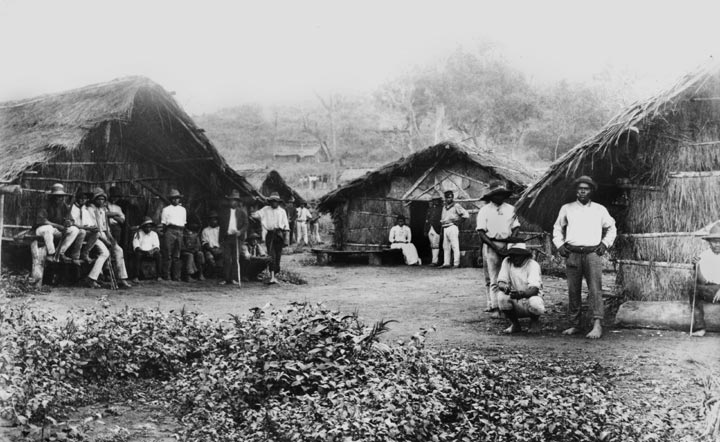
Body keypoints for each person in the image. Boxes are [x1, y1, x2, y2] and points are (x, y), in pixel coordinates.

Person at [553, 176, 616, 339]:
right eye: (579, 188)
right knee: (573, 289)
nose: (582, 191)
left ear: (591, 191)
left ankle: (597, 324)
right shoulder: (567, 208)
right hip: (572, 253)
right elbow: (557, 228)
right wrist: (559, 245)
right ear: (576, 190)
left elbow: (611, 228)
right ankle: (575, 324)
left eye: (586, 188)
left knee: (595, 289)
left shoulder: (599, 209)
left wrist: (604, 244)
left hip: (592, 253)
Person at [476, 181, 520, 318]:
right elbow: (482, 233)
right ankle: (495, 307)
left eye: (501, 194)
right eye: (496, 195)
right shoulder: (485, 210)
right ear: (491, 196)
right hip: (491, 245)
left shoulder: (511, 209)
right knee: (493, 278)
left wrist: (510, 244)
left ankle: (509, 306)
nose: (499, 197)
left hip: (507, 245)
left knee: (509, 276)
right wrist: (495, 247)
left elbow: (516, 227)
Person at [86, 188, 131, 289]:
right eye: (98, 199)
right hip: (94, 236)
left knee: (119, 250)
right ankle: (91, 279)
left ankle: (122, 278)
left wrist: (111, 240)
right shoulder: (90, 209)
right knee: (105, 253)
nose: (101, 201)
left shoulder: (104, 210)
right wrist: (105, 241)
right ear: (95, 199)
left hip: (104, 235)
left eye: (103, 199)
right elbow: (96, 229)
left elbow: (106, 228)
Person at [497, 243, 545, 334]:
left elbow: (534, 289)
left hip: (529, 298)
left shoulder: (532, 265)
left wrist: (521, 294)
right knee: (501, 297)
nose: (515, 258)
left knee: (536, 302)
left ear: (524, 255)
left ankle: (534, 322)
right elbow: (500, 282)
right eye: (512, 255)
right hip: (514, 299)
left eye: (517, 255)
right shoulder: (507, 261)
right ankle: (515, 324)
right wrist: (505, 287)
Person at [35, 183, 84, 264]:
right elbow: (42, 221)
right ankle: (51, 253)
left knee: (74, 230)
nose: (60, 198)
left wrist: (69, 222)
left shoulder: (63, 205)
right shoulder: (45, 204)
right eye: (58, 196)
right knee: (48, 228)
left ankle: (60, 252)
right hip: (42, 230)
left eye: (61, 196)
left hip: (57, 230)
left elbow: (71, 220)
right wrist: (58, 226)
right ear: (53, 196)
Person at [689, 221, 720, 337]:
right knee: (694, 289)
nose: (717, 245)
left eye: (719, 242)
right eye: (714, 242)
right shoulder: (703, 256)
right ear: (709, 242)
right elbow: (701, 281)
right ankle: (700, 327)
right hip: (710, 289)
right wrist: (696, 267)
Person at [252, 192, 289, 284]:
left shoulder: (282, 211)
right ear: (270, 202)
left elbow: (286, 226)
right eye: (272, 201)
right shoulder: (265, 209)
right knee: (271, 255)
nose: (274, 203)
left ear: (278, 202)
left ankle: (275, 274)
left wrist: (286, 238)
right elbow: (255, 215)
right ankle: (271, 276)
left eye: (276, 201)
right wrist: (256, 204)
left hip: (279, 234)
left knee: (278, 256)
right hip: (270, 234)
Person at [217, 189, 248, 286]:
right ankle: (226, 278)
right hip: (227, 237)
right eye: (231, 200)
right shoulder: (224, 212)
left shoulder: (241, 212)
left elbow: (246, 224)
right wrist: (221, 237)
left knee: (235, 258)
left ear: (238, 202)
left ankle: (234, 278)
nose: (233, 202)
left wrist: (240, 232)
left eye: (235, 200)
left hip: (237, 238)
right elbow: (221, 225)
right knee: (226, 258)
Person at [160, 189, 186, 281]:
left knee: (177, 255)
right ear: (170, 199)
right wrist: (165, 233)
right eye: (173, 198)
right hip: (170, 230)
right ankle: (167, 276)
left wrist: (181, 232)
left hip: (180, 231)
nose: (175, 200)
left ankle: (176, 276)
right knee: (168, 254)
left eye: (177, 198)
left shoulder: (183, 210)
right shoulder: (166, 209)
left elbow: (183, 223)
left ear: (179, 199)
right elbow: (163, 224)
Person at [440, 190, 469, 268]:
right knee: (446, 246)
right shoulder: (444, 207)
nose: (448, 199)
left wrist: (458, 222)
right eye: (447, 197)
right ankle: (446, 263)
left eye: (450, 197)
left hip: (452, 227)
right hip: (445, 227)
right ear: (445, 198)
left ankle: (456, 263)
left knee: (455, 246)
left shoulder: (456, 205)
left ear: (452, 197)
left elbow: (465, 215)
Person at [69, 189, 99, 263]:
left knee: (96, 233)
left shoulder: (85, 209)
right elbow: (72, 223)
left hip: (84, 230)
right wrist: (85, 228)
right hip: (74, 231)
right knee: (82, 232)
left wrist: (92, 228)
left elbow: (89, 223)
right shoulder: (71, 208)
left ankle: (85, 253)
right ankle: (75, 256)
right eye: (81, 198)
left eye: (85, 199)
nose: (83, 200)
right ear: (77, 199)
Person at [131, 217, 162, 283]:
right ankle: (136, 276)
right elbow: (136, 246)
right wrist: (144, 252)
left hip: (152, 252)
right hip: (142, 252)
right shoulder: (138, 234)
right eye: (146, 227)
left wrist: (152, 251)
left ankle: (159, 276)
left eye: (150, 227)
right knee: (137, 255)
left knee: (158, 255)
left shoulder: (154, 234)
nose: (148, 229)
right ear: (143, 227)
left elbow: (157, 246)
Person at [424, 193, 444, 266]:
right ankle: (433, 260)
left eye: (437, 200)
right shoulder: (430, 209)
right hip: (430, 228)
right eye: (434, 200)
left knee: (436, 245)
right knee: (432, 244)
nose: (435, 202)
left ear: (439, 201)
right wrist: (425, 230)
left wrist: (441, 230)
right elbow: (427, 220)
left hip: (437, 228)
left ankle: (435, 261)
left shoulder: (442, 209)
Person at [201, 211, 223, 275]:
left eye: (215, 220)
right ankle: (213, 273)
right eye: (211, 219)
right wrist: (211, 250)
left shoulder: (221, 230)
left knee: (223, 258)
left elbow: (223, 241)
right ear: (209, 221)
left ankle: (220, 273)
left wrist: (220, 249)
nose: (213, 221)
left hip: (220, 249)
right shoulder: (205, 230)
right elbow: (204, 242)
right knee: (210, 258)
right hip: (210, 249)